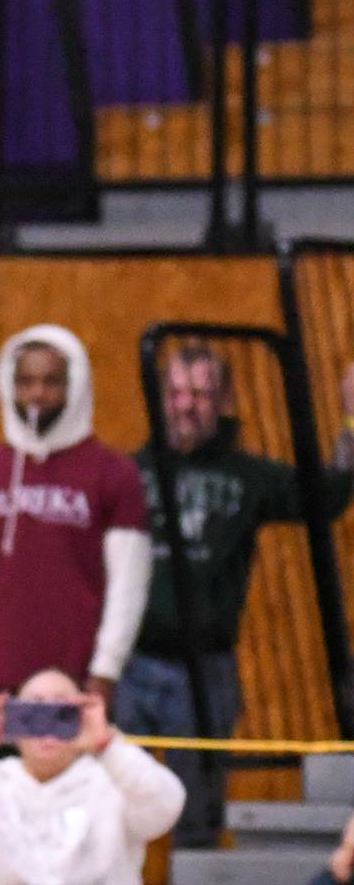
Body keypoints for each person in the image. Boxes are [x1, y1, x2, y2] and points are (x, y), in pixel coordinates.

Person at [118, 344, 303, 848]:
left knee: (198, 820)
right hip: (131, 666)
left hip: (206, 670)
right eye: (176, 393)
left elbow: (323, 496)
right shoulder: (131, 472)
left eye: (200, 394)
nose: (186, 405)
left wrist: (350, 427)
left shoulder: (247, 476)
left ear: (223, 401)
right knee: (111, 811)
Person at [0, 326, 151, 716]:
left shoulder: (114, 473)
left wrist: (107, 669)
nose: (37, 394)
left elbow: (128, 583)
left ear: (75, 385)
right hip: (0, 683)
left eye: (51, 382)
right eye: (25, 382)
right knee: (2, 761)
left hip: (79, 683)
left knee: (71, 762)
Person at [0, 668, 185, 885]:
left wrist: (108, 746)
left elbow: (165, 808)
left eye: (62, 712)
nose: (46, 725)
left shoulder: (114, 782)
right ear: (12, 716)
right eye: (34, 710)